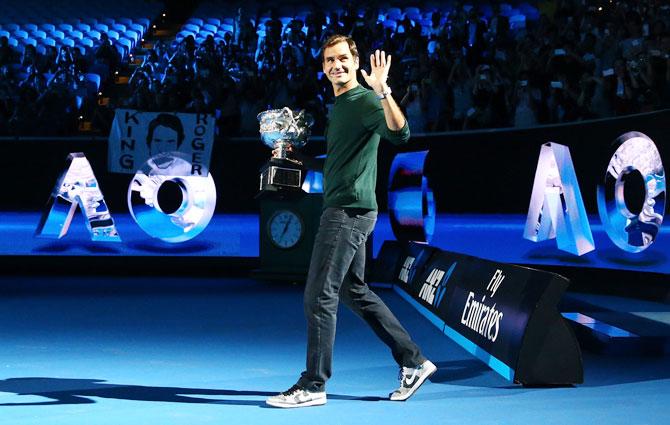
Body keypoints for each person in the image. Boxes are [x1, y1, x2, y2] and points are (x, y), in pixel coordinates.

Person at [266, 34, 436, 409]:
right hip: (346, 208)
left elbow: (400, 133)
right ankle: (414, 361)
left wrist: (383, 92)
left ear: (356, 62)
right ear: (323, 66)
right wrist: (296, 158)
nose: (336, 65)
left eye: (343, 58)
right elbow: (340, 161)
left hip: (347, 213)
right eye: (329, 60)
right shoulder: (340, 106)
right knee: (352, 291)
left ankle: (313, 384)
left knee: (318, 294)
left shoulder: (363, 101)